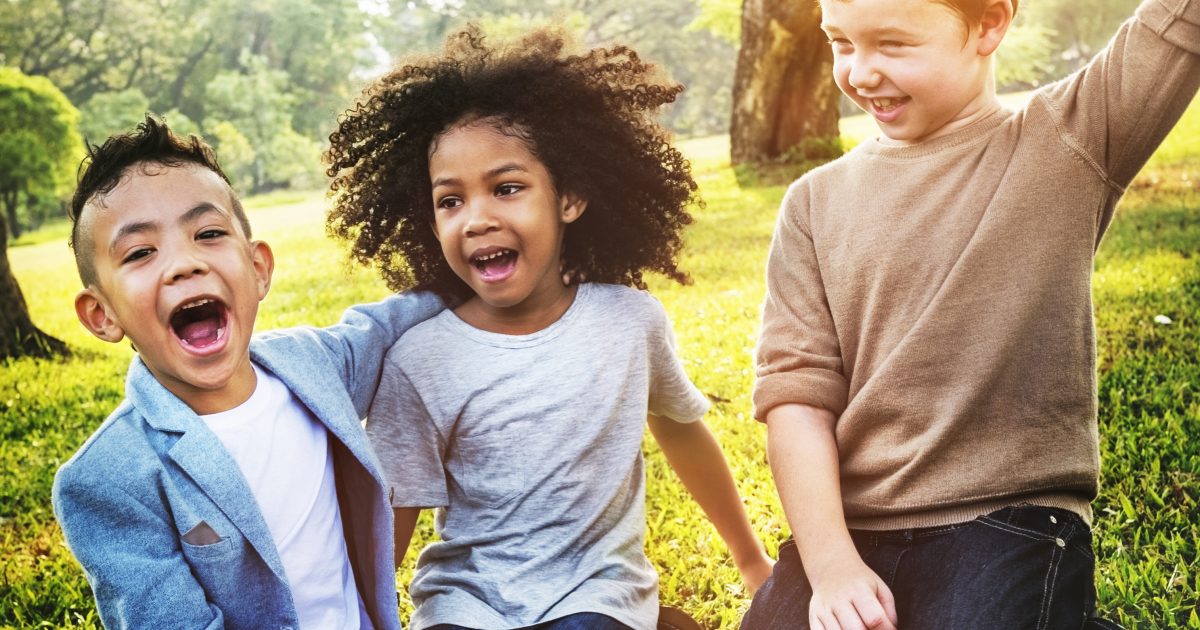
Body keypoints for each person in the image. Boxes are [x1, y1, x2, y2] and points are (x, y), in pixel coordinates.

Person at [741, 0, 1199, 627]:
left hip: (1008, 519)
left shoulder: (1071, 137)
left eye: (893, 44)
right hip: (852, 530)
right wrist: (830, 564)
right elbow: (796, 398)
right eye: (842, 42)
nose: (861, 73)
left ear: (990, 23)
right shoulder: (812, 206)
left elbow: (1176, 27)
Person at [323, 27, 775, 630]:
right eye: (449, 201)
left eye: (507, 189)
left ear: (571, 198)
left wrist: (751, 562)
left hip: (595, 594)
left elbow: (682, 432)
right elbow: (395, 510)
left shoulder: (628, 321)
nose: (477, 218)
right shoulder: (420, 357)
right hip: (466, 602)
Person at [52, 116, 443, 629]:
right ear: (102, 315)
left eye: (208, 233)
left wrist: (489, 269)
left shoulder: (311, 364)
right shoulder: (108, 479)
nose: (183, 264)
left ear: (258, 269)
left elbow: (390, 324)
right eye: (141, 252)